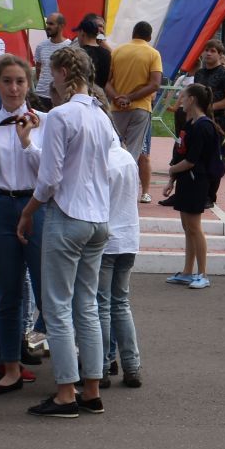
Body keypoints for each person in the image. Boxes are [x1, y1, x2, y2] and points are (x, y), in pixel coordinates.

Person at [19, 44, 117, 418]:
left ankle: (65, 393)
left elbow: (50, 179)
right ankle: (90, 389)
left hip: (68, 215)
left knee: (58, 308)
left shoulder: (61, 115)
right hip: (97, 219)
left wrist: (28, 212)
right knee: (86, 305)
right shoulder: (100, 117)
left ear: (61, 73)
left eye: (52, 73)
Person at [0, 55, 43, 394]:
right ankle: (9, 365)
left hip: (35, 206)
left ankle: (72, 362)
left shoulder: (43, 122)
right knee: (8, 293)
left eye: (20, 81)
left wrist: (27, 142)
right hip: (0, 206)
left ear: (28, 85)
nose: (14, 87)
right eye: (7, 81)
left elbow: (48, 172)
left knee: (48, 292)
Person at [160, 84, 220, 289]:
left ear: (192, 99)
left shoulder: (204, 126)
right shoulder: (189, 125)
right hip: (186, 180)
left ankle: (202, 273)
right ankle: (187, 271)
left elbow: (192, 160)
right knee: (187, 227)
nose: (180, 100)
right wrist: (172, 180)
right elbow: (180, 154)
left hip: (197, 181)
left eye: (183, 96)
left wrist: (172, 171)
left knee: (195, 227)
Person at [98, 140, 144, 389]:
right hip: (128, 237)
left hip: (106, 240)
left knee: (102, 305)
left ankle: (102, 367)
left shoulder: (100, 160)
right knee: (121, 303)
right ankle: (132, 365)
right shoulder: (126, 157)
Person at [105, 20, 163, 202]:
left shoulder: (117, 52)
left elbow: (106, 81)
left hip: (116, 108)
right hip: (140, 108)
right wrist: (131, 98)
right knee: (133, 152)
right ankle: (127, 194)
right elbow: (155, 83)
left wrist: (117, 97)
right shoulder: (153, 53)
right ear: (149, 36)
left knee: (111, 148)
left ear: (133, 33)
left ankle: (109, 189)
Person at [194, 41, 225, 130]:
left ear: (220, 54)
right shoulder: (199, 73)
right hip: (198, 119)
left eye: (212, 51)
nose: (208, 53)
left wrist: (212, 107)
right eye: (206, 50)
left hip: (217, 121)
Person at [31, 13, 69, 111]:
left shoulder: (70, 47)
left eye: (51, 24)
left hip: (60, 97)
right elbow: (38, 69)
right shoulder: (41, 46)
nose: (47, 27)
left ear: (61, 26)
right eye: (47, 24)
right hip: (41, 95)